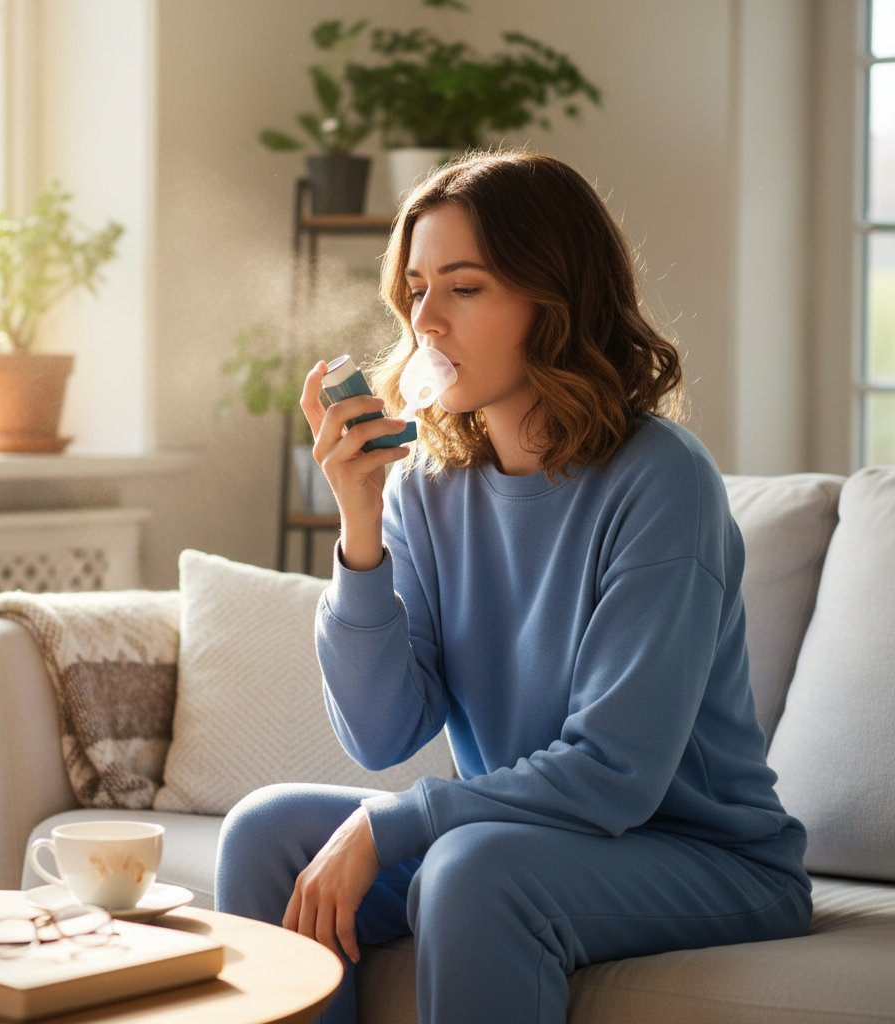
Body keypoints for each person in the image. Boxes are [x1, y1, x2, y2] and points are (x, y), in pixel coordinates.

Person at [215, 150, 812, 1024]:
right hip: (523, 839)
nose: (427, 321)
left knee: (471, 872)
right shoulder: (425, 488)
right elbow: (380, 734)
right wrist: (359, 528)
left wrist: (392, 826)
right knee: (267, 832)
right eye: (416, 290)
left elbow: (613, 773)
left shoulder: (663, 481)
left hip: (705, 857)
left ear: (555, 302)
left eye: (465, 287)